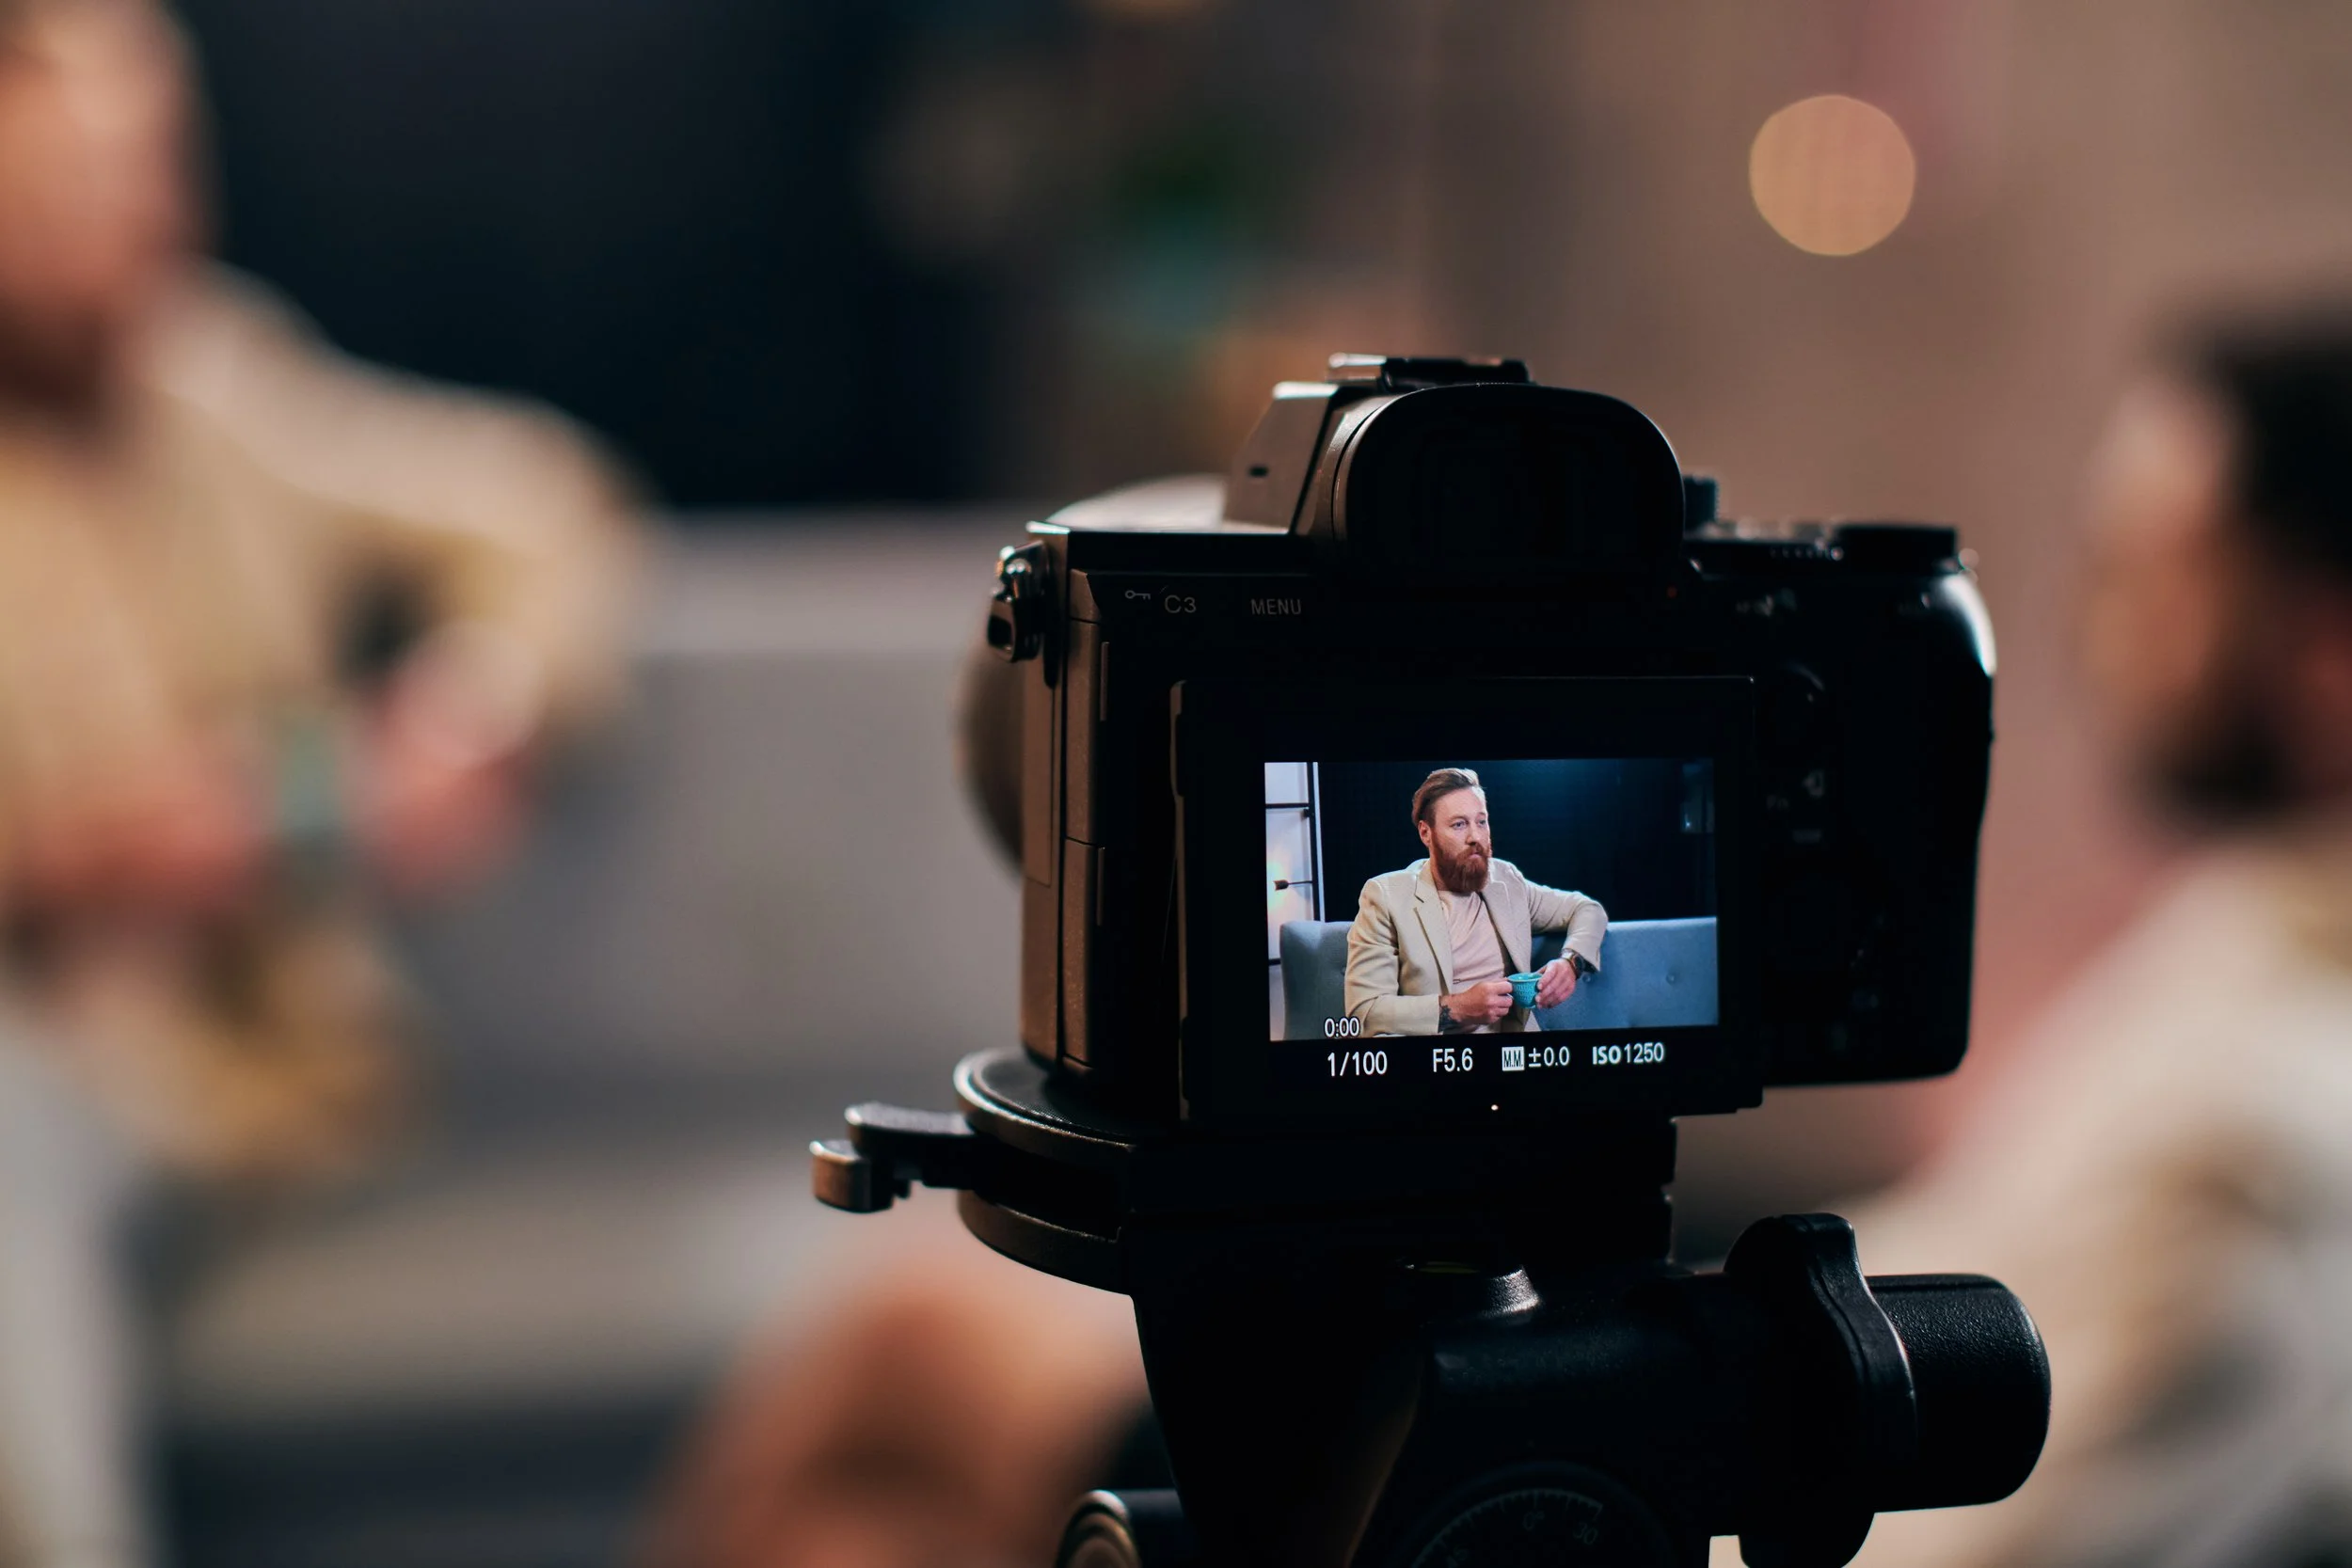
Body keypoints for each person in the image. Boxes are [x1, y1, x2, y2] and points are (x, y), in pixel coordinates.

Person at [0, 0, 638, 1561]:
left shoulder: (211, 382)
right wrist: (129, 845)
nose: (151, 221)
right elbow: (130, 828)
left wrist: (466, 711)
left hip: (246, 1070)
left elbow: (539, 496)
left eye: (158, 167)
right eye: (86, 184)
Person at [1819, 309, 2352, 1568]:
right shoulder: (2257, 926)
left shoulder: (2259, 1143)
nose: (2094, 627)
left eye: (2158, 573)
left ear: (2331, 639)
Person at [1343, 767, 1607, 1035]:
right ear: (1426, 833)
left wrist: (1571, 963)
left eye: (1481, 822)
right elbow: (1365, 1012)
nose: (1475, 837)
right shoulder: (1386, 897)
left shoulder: (1506, 881)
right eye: (1459, 824)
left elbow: (1587, 909)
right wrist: (1456, 1008)